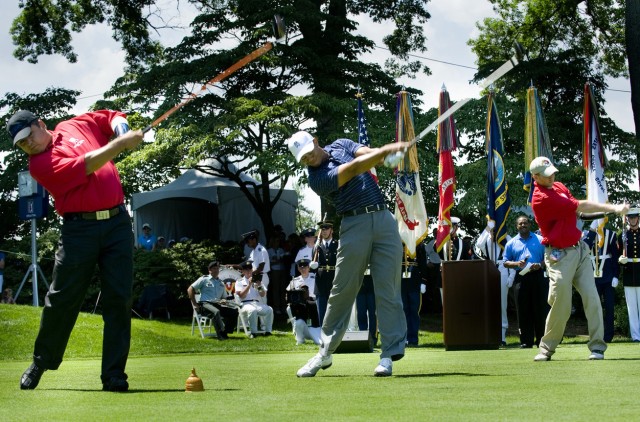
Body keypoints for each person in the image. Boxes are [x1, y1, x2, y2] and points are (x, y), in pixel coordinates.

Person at [8, 109, 144, 391]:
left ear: (40, 124)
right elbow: (87, 164)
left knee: (119, 299)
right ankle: (41, 361)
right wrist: (121, 144)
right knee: (61, 299)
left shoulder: (73, 125)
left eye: (28, 136)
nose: (27, 145)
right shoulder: (39, 165)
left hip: (117, 223)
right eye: (21, 144)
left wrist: (121, 130)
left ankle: (114, 376)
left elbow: (111, 117)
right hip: (79, 231)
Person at [287, 130, 408, 377]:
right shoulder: (317, 179)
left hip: (384, 219)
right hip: (354, 224)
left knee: (388, 289)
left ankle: (387, 355)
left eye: (309, 153)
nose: (308, 159)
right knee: (343, 290)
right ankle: (325, 353)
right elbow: (353, 169)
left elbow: (367, 155)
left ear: (316, 142)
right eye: (303, 159)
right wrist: (385, 150)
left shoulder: (341, 143)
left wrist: (389, 155)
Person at [528, 156, 628, 361]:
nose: (552, 176)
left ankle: (597, 347)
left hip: (580, 250)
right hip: (559, 256)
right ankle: (546, 348)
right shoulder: (540, 198)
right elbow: (579, 206)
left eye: (553, 172)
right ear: (535, 177)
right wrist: (614, 208)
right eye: (547, 175)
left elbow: (578, 214)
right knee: (561, 304)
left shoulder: (558, 186)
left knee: (592, 298)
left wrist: (601, 213)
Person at [503, 215, 549, 348]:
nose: (523, 225)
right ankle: (526, 341)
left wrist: (540, 265)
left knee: (540, 309)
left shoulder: (540, 240)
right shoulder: (511, 243)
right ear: (517, 226)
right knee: (523, 310)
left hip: (538, 276)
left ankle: (541, 340)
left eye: (525, 223)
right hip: (521, 278)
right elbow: (505, 262)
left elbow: (548, 258)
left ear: (530, 225)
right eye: (520, 224)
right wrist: (517, 263)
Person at [475, 220, 516, 346]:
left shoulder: (508, 239)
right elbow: (479, 243)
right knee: (488, 303)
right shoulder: (487, 239)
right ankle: (489, 335)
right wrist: (488, 227)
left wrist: (511, 277)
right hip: (489, 269)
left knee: (502, 304)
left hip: (503, 269)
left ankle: (502, 336)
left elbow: (513, 258)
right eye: (493, 230)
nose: (493, 233)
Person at [582, 221, 620, 343]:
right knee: (593, 308)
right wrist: (592, 231)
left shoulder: (611, 234)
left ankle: (608, 336)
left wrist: (616, 275)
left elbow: (615, 256)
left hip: (608, 276)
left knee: (609, 307)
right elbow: (585, 247)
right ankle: (595, 335)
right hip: (592, 276)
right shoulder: (585, 235)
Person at [187, 261, 235, 340]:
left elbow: (224, 297)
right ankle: (220, 336)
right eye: (214, 268)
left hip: (217, 305)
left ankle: (225, 332)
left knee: (233, 312)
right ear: (210, 270)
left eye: (217, 268)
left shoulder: (221, 283)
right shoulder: (204, 279)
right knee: (216, 312)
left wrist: (223, 300)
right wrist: (195, 304)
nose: (216, 270)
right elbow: (190, 289)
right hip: (205, 305)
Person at [235, 260, 274, 337]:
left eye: (250, 269)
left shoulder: (257, 280)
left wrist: (259, 285)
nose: (248, 271)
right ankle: (253, 332)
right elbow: (241, 296)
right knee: (252, 310)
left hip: (257, 303)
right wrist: (249, 285)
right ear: (242, 271)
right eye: (246, 269)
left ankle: (268, 331)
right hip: (245, 304)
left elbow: (262, 295)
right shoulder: (239, 281)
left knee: (269, 309)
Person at [619, 206, 640, 341]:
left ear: (638, 218)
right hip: (629, 273)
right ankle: (635, 336)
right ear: (627, 219)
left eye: (635, 217)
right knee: (632, 308)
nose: (632, 220)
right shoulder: (622, 234)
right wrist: (621, 260)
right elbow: (618, 252)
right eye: (630, 217)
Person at [314, 218, 338, 325]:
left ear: (331, 230)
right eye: (322, 229)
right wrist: (312, 266)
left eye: (327, 228)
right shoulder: (317, 247)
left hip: (333, 281)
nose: (324, 231)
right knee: (322, 312)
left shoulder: (337, 245)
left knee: (334, 311)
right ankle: (322, 336)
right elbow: (312, 265)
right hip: (320, 283)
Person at [401, 255, 426, 347]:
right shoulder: (397, 242)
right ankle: (405, 338)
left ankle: (413, 339)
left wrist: (423, 281)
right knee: (404, 312)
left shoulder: (418, 244)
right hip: (401, 282)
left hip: (414, 282)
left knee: (414, 312)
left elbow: (423, 263)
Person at [286, 258, 319, 327]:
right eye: (301, 268)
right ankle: (294, 326)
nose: (303, 269)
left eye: (305, 267)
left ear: (309, 268)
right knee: (289, 308)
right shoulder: (295, 280)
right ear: (298, 269)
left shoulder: (316, 277)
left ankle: (316, 325)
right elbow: (288, 292)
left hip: (313, 301)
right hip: (300, 302)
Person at [267, 234, 287, 314]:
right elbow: (268, 263)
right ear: (272, 242)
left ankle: (284, 307)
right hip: (274, 271)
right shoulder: (269, 251)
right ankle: (276, 307)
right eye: (276, 241)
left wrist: (276, 261)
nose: (277, 242)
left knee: (283, 289)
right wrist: (277, 261)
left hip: (282, 270)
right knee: (276, 289)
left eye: (278, 241)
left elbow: (284, 260)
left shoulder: (281, 250)